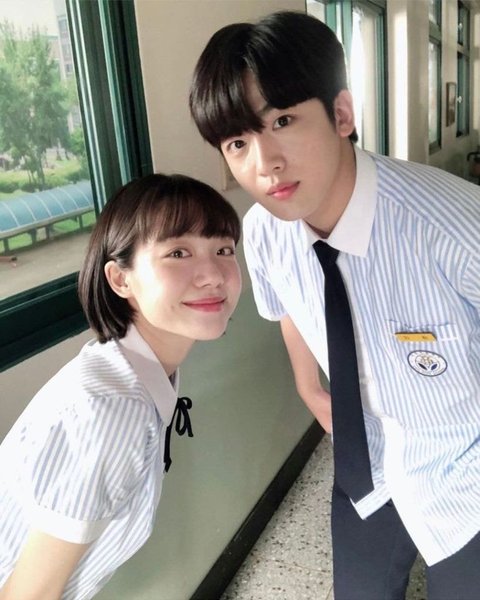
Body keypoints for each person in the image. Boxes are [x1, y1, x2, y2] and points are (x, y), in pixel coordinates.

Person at [189, 10, 480, 599]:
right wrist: (309, 388)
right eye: (238, 142)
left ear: (342, 114)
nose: (264, 164)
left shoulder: (454, 228)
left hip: (465, 469)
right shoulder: (264, 232)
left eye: (283, 121)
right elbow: (289, 308)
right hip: (366, 460)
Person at [0, 173, 241, 599]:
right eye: (178, 252)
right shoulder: (113, 411)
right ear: (119, 279)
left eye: (223, 249)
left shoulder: (128, 370)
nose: (213, 275)